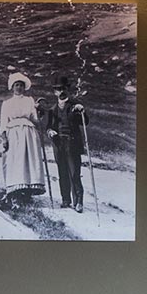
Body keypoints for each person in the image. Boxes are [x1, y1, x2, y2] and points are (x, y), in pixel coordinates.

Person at [0, 72, 48, 202]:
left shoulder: (29, 101)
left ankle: (28, 190)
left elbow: (35, 119)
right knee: (15, 161)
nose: (19, 87)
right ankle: (16, 190)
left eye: (21, 85)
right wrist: (4, 138)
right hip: (13, 134)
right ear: (12, 87)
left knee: (29, 160)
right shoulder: (7, 103)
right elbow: (3, 123)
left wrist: (40, 113)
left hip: (29, 133)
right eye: (16, 85)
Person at [44, 77, 88, 211]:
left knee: (74, 172)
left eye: (63, 88)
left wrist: (82, 112)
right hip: (58, 144)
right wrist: (50, 131)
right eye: (58, 89)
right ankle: (65, 200)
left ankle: (78, 201)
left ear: (67, 89)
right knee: (62, 172)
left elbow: (85, 122)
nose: (61, 91)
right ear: (54, 92)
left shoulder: (75, 105)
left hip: (72, 143)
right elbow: (48, 127)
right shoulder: (52, 109)